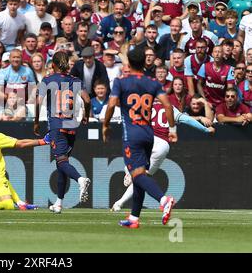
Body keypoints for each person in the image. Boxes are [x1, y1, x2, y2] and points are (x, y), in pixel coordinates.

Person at [102, 47, 177, 229]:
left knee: (137, 175)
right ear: (144, 62)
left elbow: (111, 104)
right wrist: (172, 128)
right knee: (140, 176)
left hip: (132, 134)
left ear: (128, 62)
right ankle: (134, 218)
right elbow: (167, 105)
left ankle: (163, 199)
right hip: (148, 134)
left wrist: (105, 125)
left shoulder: (121, 82)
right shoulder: (152, 83)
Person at [111, 91, 216, 213]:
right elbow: (186, 120)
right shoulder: (170, 108)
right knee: (142, 178)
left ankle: (129, 172)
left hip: (148, 140)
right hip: (163, 146)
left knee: (136, 172)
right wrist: (205, 130)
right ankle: (119, 203)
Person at [34, 51, 92, 214]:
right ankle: (58, 203)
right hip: (71, 125)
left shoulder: (48, 80)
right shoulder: (76, 81)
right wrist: (86, 116)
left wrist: (36, 122)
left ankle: (81, 180)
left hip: (57, 124)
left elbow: (38, 103)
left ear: (53, 65)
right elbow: (87, 100)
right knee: (63, 163)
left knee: (61, 161)